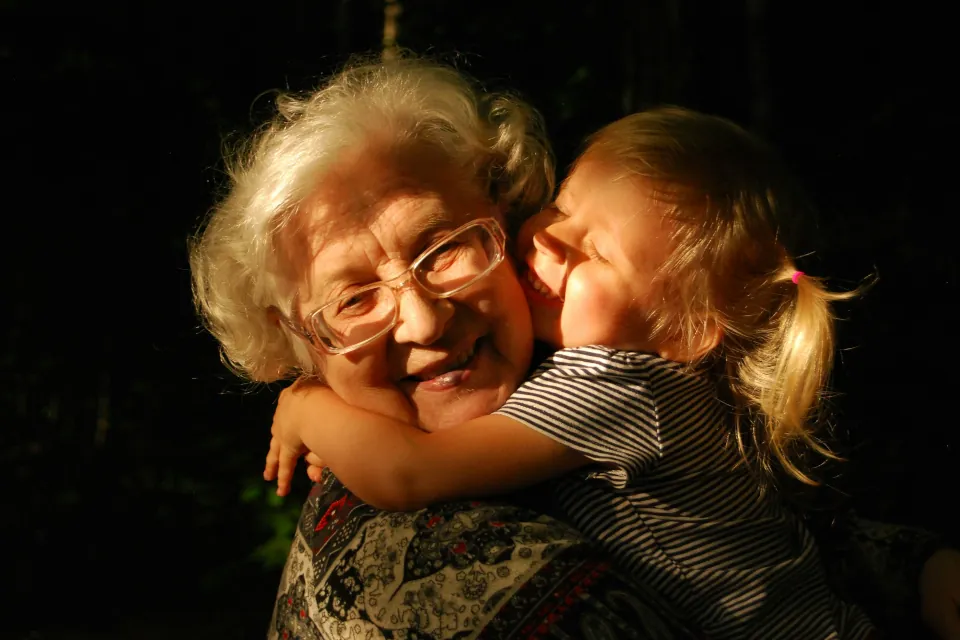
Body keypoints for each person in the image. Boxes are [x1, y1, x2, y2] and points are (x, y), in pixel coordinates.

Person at [261, 107, 899, 638]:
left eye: (597, 252)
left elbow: (407, 473)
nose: (549, 240)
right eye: (562, 208)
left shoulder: (619, 385)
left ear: (682, 332)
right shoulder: (620, 372)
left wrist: (307, 406)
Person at [190, 55, 702, 639]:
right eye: (354, 299)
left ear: (506, 224)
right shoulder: (450, 571)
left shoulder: (623, 368)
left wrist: (311, 408)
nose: (426, 323)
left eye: (444, 250)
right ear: (302, 346)